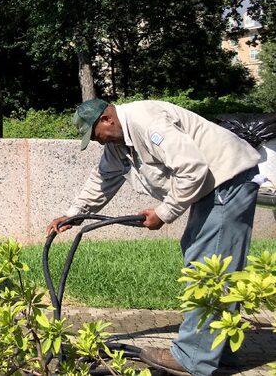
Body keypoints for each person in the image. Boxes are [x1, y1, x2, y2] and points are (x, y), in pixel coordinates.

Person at [47, 98, 261, 376]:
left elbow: (192, 167)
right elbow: (102, 179)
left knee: (209, 265)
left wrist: (164, 213)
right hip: (215, 186)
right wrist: (74, 214)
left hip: (228, 179)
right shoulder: (118, 142)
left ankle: (193, 358)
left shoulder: (147, 121)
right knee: (206, 258)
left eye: (96, 136)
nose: (98, 143)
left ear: (107, 119)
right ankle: (220, 350)